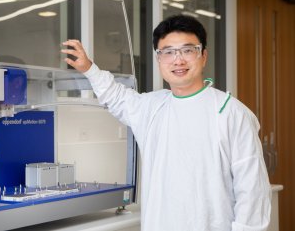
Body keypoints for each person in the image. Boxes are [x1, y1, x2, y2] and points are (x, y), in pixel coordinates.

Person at [61, 15, 271, 231]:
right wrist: (89, 68)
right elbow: (116, 96)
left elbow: (252, 192)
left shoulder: (231, 113)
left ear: (203, 56)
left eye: (188, 50)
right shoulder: (152, 107)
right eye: (168, 52)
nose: (178, 60)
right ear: (159, 60)